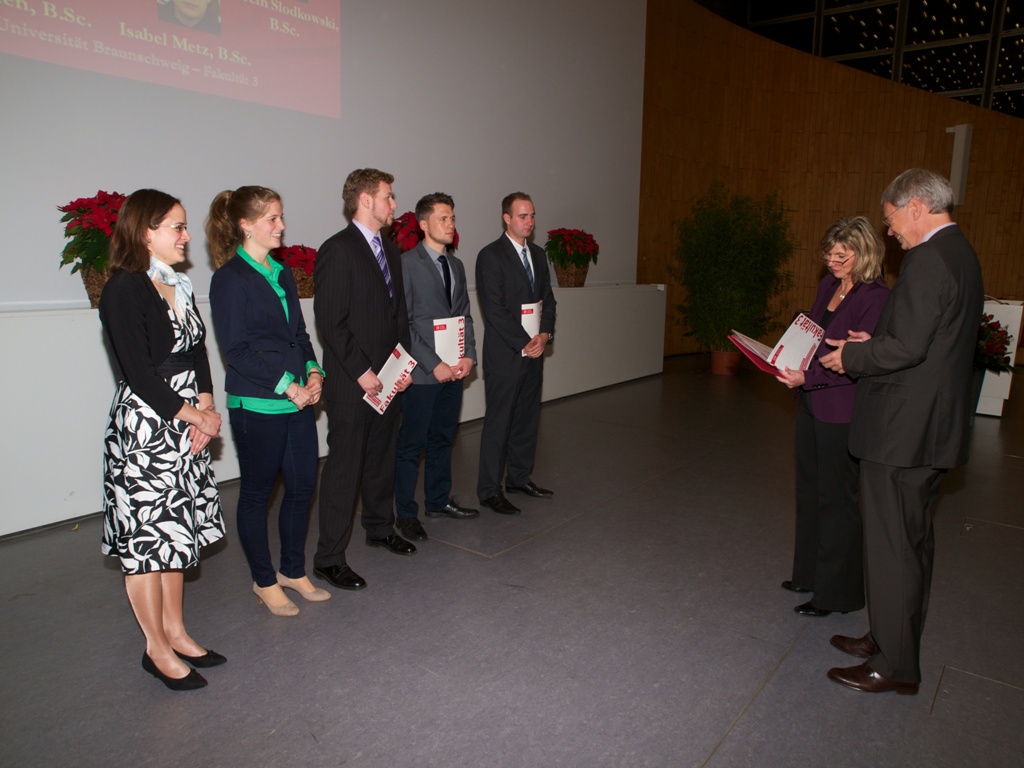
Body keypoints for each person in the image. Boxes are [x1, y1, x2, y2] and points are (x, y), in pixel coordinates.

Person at [820, 169, 984, 695]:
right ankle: (889, 638)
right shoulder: (960, 253)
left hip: (903, 433)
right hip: (928, 429)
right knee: (910, 544)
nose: (889, 232)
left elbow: (907, 348)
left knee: (893, 548)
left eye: (891, 220)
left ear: (916, 206)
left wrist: (853, 356)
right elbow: (927, 339)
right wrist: (875, 341)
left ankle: (892, 665)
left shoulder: (930, 258)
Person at [98, 189, 226, 691]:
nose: (187, 236)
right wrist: (196, 416)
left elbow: (197, 352)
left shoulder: (178, 282)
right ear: (145, 231)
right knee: (147, 541)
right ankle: (155, 648)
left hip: (187, 420)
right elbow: (139, 374)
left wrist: (206, 406)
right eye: (177, 226)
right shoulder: (122, 289)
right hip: (146, 429)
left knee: (176, 533)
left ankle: (176, 632)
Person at [207, 186, 329, 617]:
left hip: (297, 401)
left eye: (280, 217)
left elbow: (299, 335)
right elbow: (236, 350)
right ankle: (263, 580)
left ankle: (292, 571)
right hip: (258, 403)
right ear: (245, 225)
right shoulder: (229, 279)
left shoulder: (282, 272)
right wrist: (288, 386)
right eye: (272, 219)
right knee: (257, 493)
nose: (281, 226)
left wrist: (314, 371)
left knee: (302, 486)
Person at [775, 217, 888, 617]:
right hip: (811, 399)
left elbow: (854, 359)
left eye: (843, 255)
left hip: (842, 407)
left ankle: (837, 594)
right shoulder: (828, 285)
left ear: (865, 253)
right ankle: (807, 574)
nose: (833, 262)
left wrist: (808, 376)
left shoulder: (875, 296)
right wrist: (785, 356)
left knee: (837, 499)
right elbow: (813, 335)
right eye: (829, 254)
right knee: (809, 491)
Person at [312, 168, 415, 591]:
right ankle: (329, 558)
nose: (394, 204)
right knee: (344, 469)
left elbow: (399, 316)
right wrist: (362, 372)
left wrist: (402, 367)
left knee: (381, 459)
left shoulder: (389, 249)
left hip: (388, 379)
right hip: (353, 383)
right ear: (366, 200)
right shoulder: (337, 250)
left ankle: (379, 527)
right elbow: (330, 322)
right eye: (388, 196)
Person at [394, 193, 479, 541]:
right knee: (411, 445)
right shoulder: (406, 264)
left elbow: (465, 316)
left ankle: (438, 500)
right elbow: (404, 324)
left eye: (452, 218)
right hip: (422, 374)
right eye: (443, 218)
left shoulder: (456, 266)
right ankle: (405, 514)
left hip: (454, 370)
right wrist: (434, 364)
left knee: (444, 438)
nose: (450, 224)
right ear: (423, 224)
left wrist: (469, 355)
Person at [475, 192, 557, 515]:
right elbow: (494, 310)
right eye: (523, 216)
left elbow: (548, 300)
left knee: (526, 419)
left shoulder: (537, 254)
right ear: (506, 218)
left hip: (534, 351)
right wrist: (525, 341)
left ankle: (519, 478)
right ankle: (489, 490)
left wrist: (544, 335)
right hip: (506, 355)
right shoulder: (490, 256)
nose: (530, 222)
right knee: (499, 424)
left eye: (532, 215)